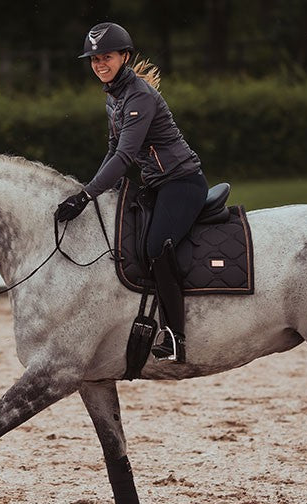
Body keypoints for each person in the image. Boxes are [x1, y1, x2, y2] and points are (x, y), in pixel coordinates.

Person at [54, 21, 207, 364]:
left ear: (124, 56)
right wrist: (87, 189)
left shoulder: (138, 95)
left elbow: (125, 157)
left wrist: (86, 196)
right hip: (155, 183)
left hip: (181, 183)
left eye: (106, 57)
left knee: (156, 247)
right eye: (94, 60)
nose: (99, 65)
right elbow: (113, 150)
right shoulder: (114, 96)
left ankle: (175, 336)